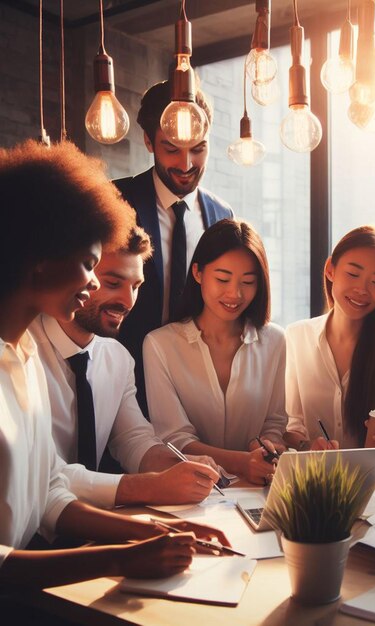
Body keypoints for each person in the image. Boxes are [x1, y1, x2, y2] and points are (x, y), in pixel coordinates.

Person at [0, 140, 228, 599]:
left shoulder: (22, 359)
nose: (91, 282)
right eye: (90, 265)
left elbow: (49, 494)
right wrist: (122, 556)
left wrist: (147, 533)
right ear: (38, 259)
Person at [30, 226, 220, 509]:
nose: (128, 301)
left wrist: (177, 465)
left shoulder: (118, 358)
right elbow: (42, 475)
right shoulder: (22, 350)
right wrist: (149, 487)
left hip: (89, 526)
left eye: (136, 286)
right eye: (113, 283)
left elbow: (133, 439)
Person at [114, 80, 233, 414]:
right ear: (149, 142)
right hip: (125, 378)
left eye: (198, 148)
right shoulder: (114, 201)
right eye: (171, 149)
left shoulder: (222, 215)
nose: (186, 164)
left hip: (195, 387)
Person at [143, 219, 286, 486]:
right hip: (193, 489)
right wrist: (242, 462)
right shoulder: (160, 345)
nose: (235, 293)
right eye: (222, 278)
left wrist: (269, 445)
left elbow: (275, 422)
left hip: (259, 487)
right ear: (198, 273)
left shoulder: (275, 341)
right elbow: (174, 438)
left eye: (248, 281)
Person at [284, 225, 375, 470]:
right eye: (353, 274)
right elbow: (290, 425)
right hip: (314, 479)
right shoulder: (295, 337)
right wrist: (308, 446)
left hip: (371, 485)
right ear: (330, 270)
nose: (362, 290)